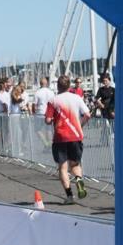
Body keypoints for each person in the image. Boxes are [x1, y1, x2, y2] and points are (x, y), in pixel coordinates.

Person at [45, 75, 91, 204]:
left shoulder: (53, 100)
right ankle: (79, 180)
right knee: (75, 164)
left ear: (58, 86)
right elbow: (87, 114)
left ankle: (70, 196)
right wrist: (80, 125)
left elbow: (48, 120)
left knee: (63, 168)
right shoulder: (76, 98)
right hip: (75, 135)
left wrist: (54, 119)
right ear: (69, 85)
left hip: (60, 137)